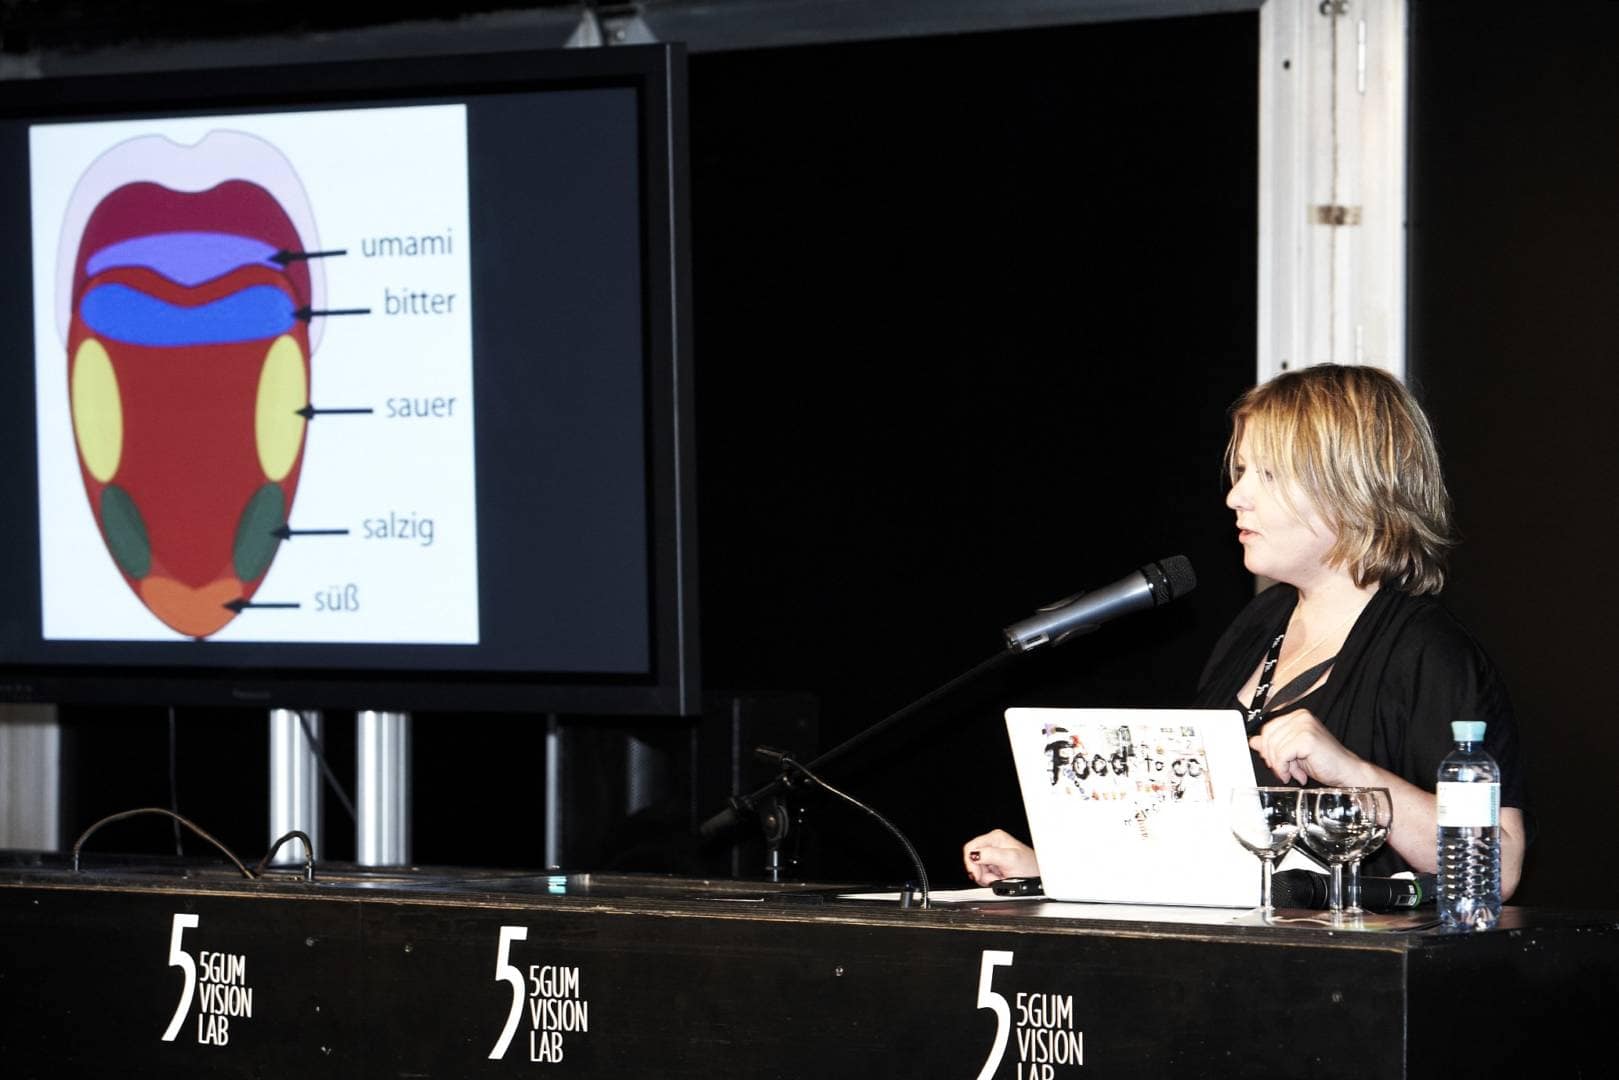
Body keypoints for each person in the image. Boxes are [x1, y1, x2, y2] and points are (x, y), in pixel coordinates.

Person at [963, 363, 1529, 895]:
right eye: (1240, 472)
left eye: (1269, 474)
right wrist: (1055, 869)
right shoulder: (1258, 626)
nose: (1236, 496)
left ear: (1354, 488)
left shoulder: (1427, 651)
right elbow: (1201, 852)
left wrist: (1351, 773)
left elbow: (1496, 868)